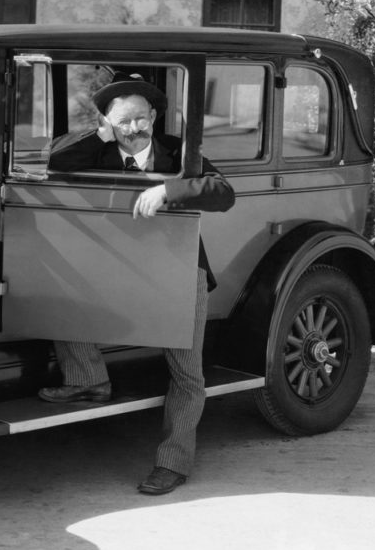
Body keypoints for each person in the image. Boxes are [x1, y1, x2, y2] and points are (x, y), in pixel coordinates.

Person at [40, 72, 235, 496]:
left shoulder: (180, 153)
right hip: (116, 271)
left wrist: (170, 189)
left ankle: (173, 463)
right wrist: (100, 133)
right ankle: (88, 379)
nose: (134, 128)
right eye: (123, 121)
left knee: (187, 374)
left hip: (179, 274)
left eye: (141, 119)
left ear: (153, 117)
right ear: (109, 123)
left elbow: (223, 192)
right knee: (60, 290)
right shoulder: (98, 149)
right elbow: (55, 158)